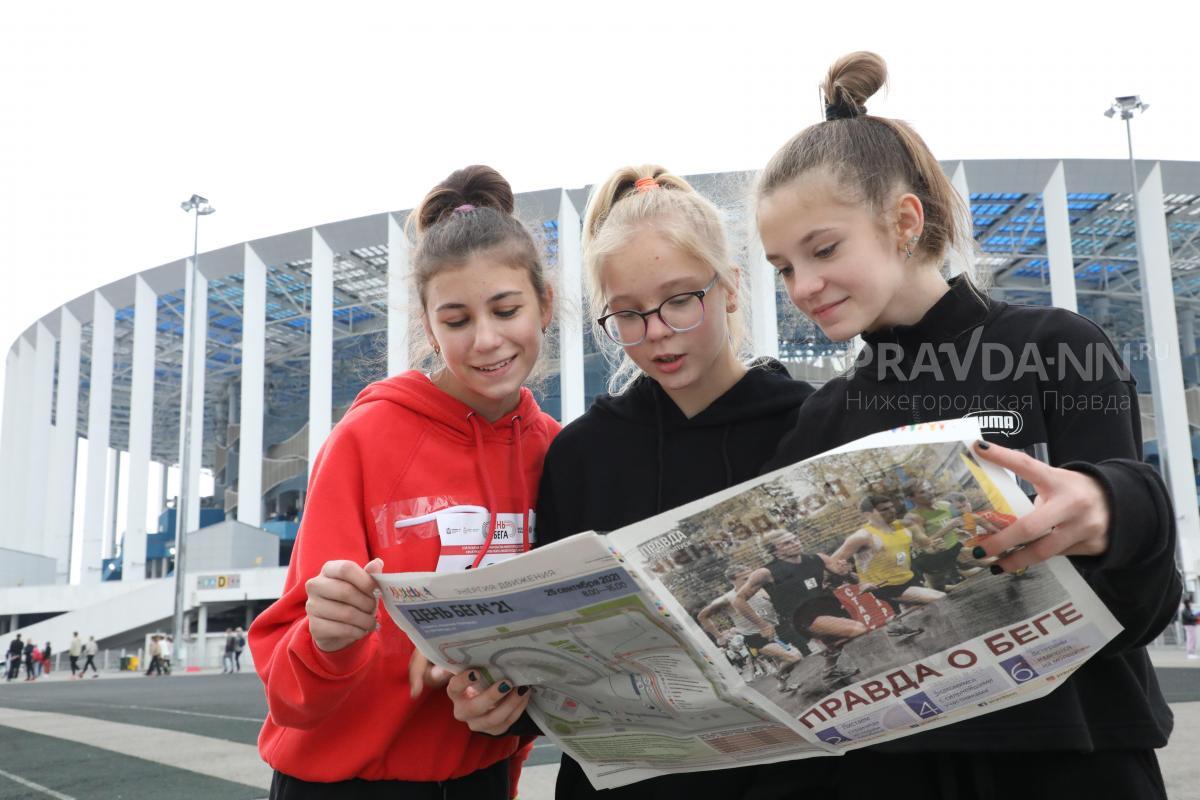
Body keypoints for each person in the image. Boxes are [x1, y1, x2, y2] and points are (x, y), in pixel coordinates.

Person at [756, 50, 1179, 798]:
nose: (803, 286)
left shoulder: (1059, 350)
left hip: (1072, 762)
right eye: (783, 267)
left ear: (905, 222)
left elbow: (1147, 606)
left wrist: (1115, 512)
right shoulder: (817, 418)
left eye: (822, 250)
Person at [443, 164, 818, 799]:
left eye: (680, 300)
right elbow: (544, 652)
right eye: (627, 315)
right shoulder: (582, 453)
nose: (657, 333)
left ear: (727, 288)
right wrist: (496, 700)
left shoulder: (811, 423)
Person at [248, 165, 559, 800]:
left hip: (482, 779)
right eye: (456, 319)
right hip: (344, 783)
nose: (487, 339)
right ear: (427, 324)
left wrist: (516, 703)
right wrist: (325, 641)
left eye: (506, 309)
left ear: (544, 304)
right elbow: (286, 692)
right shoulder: (364, 441)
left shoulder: (557, 451)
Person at [829, 495, 944, 608]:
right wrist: (852, 577)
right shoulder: (863, 536)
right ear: (868, 515)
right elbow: (831, 563)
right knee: (941, 598)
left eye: (891, 507)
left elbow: (926, 546)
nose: (892, 511)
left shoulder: (904, 526)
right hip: (884, 588)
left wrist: (934, 547)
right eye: (884, 509)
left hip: (908, 579)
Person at [697, 563, 802, 678]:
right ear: (733, 581)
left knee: (790, 663)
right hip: (756, 637)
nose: (750, 580)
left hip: (776, 630)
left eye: (751, 576)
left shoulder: (761, 588)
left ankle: (781, 681)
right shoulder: (727, 599)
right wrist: (718, 636)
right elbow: (702, 616)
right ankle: (779, 674)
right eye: (745, 579)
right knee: (794, 657)